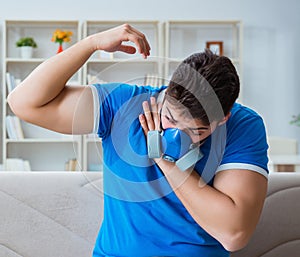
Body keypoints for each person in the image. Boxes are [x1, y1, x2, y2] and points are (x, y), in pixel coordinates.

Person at [7, 24, 269, 257]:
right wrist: (91, 44)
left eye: (197, 131)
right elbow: (23, 103)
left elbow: (234, 235)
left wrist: (165, 162)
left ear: (222, 119)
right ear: (168, 91)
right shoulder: (124, 105)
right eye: (170, 118)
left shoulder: (242, 126)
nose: (177, 133)